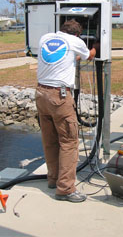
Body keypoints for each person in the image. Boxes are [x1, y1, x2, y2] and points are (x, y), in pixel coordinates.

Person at [35, 19, 97, 203]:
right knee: (69, 142)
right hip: (59, 97)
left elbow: (61, 58)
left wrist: (75, 57)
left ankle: (53, 180)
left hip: (40, 94)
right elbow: (89, 56)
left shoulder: (46, 38)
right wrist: (95, 47)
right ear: (77, 34)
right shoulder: (76, 41)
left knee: (50, 140)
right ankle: (66, 189)